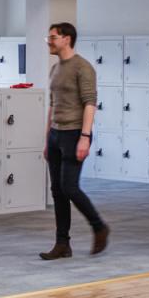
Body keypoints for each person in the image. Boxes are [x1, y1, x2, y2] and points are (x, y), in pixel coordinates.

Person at [41, 22, 108, 260]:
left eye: (53, 37)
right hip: (56, 135)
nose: (49, 41)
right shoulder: (55, 69)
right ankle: (62, 244)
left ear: (66, 39)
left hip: (74, 133)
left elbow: (90, 103)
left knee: (69, 187)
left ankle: (99, 226)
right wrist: (47, 137)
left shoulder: (83, 67)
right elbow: (52, 104)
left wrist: (85, 137)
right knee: (57, 191)